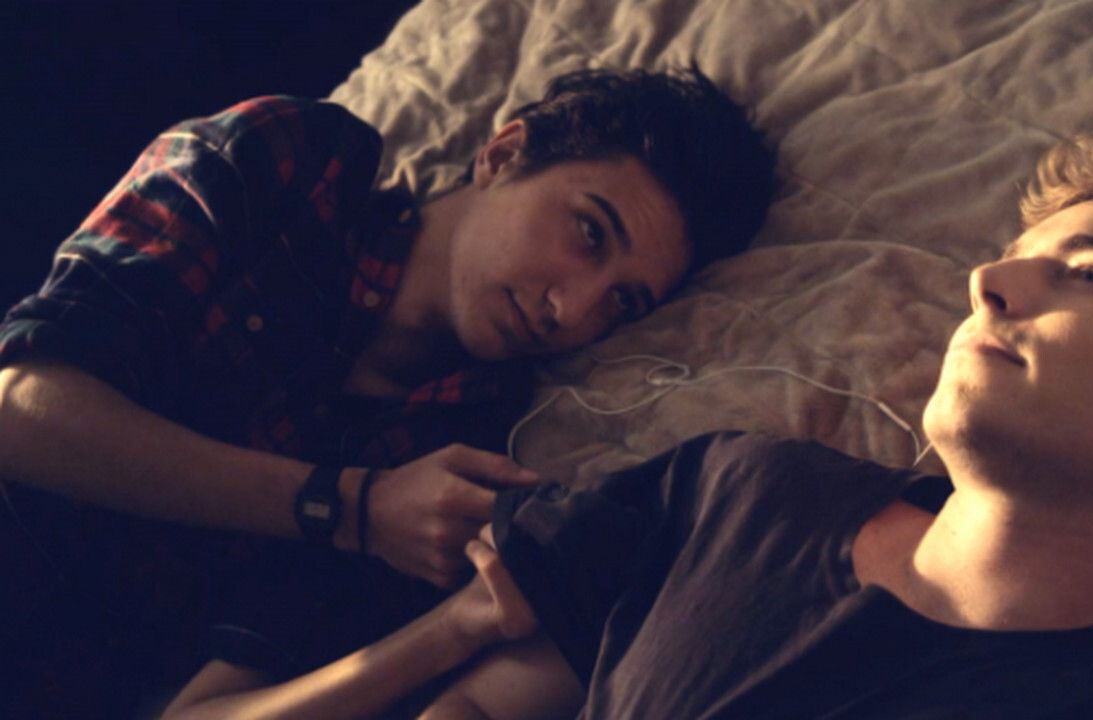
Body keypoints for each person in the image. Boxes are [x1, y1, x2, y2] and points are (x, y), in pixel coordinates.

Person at [168, 132, 1093, 718]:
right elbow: (478, 704)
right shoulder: (743, 490)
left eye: (1087, 276)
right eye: (1010, 257)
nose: (988, 283)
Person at [0, 66, 775, 716]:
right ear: (504, 154)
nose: (570, 311)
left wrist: (456, 626)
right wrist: (349, 508)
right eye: (589, 233)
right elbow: (16, 408)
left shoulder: (456, 451)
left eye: (622, 302)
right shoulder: (296, 167)